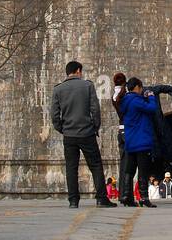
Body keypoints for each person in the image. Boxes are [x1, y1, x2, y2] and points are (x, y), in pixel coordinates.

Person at [50, 61, 115, 208]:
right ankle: (101, 198)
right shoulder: (87, 86)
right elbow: (95, 110)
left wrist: (62, 128)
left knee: (71, 168)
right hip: (87, 133)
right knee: (96, 165)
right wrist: (94, 127)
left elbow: (54, 115)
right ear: (78, 70)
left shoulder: (58, 89)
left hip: (69, 134)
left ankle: (73, 200)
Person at [119, 78, 158, 207]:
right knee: (143, 170)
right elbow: (152, 108)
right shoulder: (136, 101)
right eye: (141, 88)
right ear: (137, 87)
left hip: (130, 141)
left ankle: (126, 195)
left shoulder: (125, 101)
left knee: (129, 170)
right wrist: (151, 97)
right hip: (141, 141)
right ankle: (143, 197)